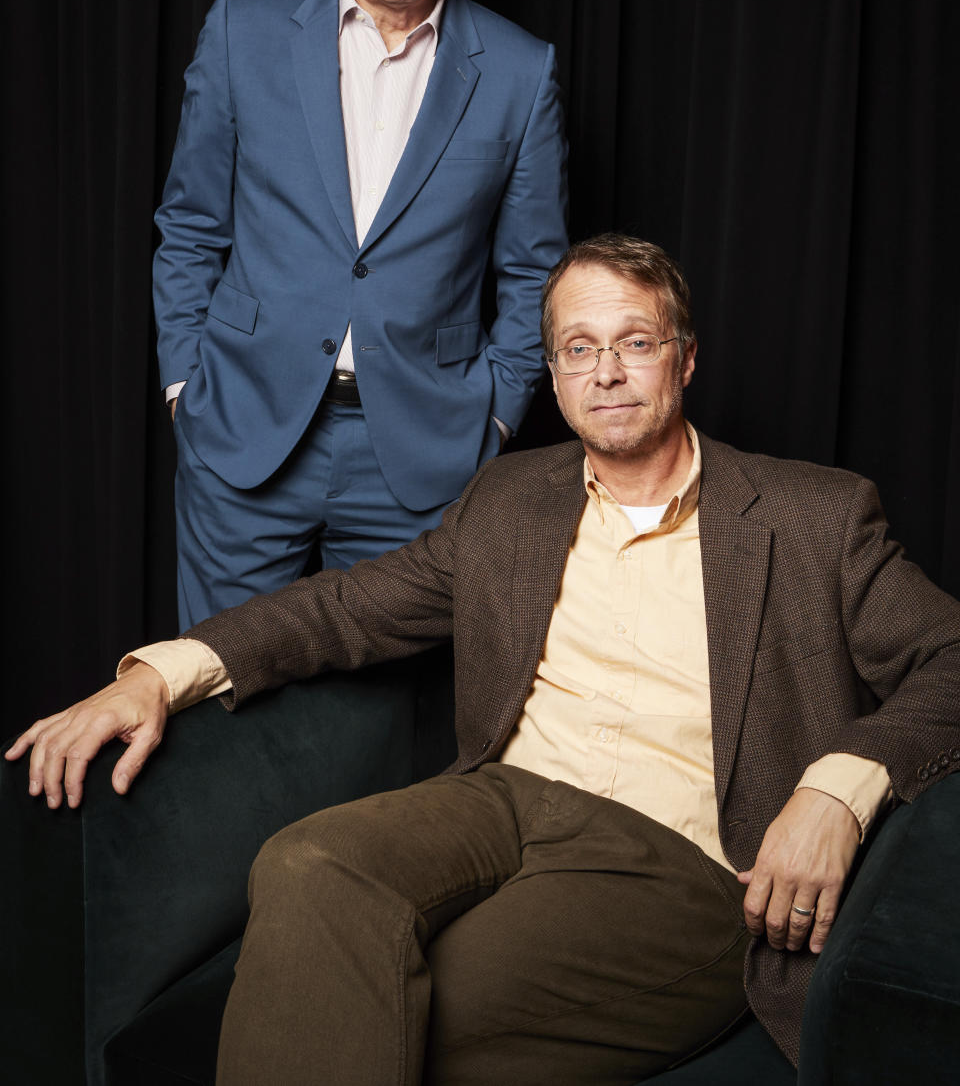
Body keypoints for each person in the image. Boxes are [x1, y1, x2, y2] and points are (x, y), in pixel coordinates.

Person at [9, 234, 960, 1085]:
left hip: (681, 860)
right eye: (579, 349)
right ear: (553, 373)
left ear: (686, 358)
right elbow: (346, 605)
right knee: (306, 858)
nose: (609, 372)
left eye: (636, 341)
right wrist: (155, 676)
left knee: (393, 1006)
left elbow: (949, 659)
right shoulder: (511, 499)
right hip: (504, 799)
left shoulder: (814, 515)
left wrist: (839, 786)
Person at [153, 0, 568, 629]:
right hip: (243, 434)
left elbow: (537, 272)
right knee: (215, 707)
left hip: (421, 460)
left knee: (384, 740)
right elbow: (190, 226)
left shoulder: (522, 73)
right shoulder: (242, 32)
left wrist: (492, 418)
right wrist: (184, 384)